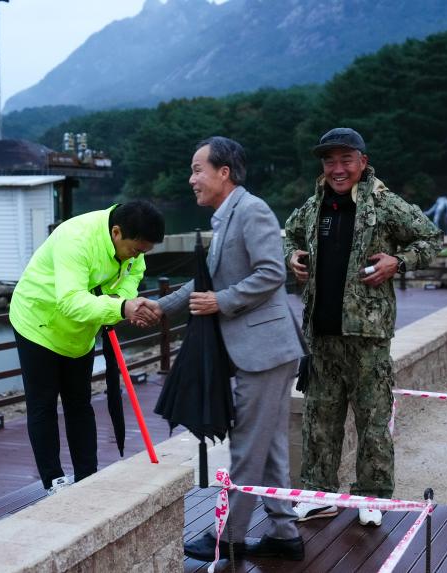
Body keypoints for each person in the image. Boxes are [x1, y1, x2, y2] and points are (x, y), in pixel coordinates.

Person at [154, 136, 306, 562]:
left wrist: (222, 301)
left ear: (224, 173)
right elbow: (206, 283)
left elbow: (272, 273)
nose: (191, 179)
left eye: (198, 169)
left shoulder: (251, 210)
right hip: (262, 349)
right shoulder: (226, 217)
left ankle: (230, 535)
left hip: (264, 350)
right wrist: (160, 307)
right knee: (270, 443)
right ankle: (283, 532)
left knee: (246, 443)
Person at [283, 127, 442, 526]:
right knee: (320, 418)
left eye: (345, 160)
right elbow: (286, 234)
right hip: (321, 334)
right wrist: (292, 255)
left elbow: (432, 238)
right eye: (329, 161)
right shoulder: (314, 205)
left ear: (362, 162)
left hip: (368, 336)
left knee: (372, 419)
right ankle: (319, 494)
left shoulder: (384, 204)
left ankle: (373, 496)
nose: (337, 169)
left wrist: (397, 263)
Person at [9, 200, 164, 494]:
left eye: (145, 251)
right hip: (38, 321)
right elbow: (69, 301)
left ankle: (87, 476)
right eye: (136, 249)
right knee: (42, 403)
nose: (139, 256)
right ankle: (54, 481)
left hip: (81, 329)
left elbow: (133, 275)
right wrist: (120, 307)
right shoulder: (76, 239)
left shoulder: (133, 246)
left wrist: (126, 301)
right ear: (116, 232)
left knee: (79, 402)